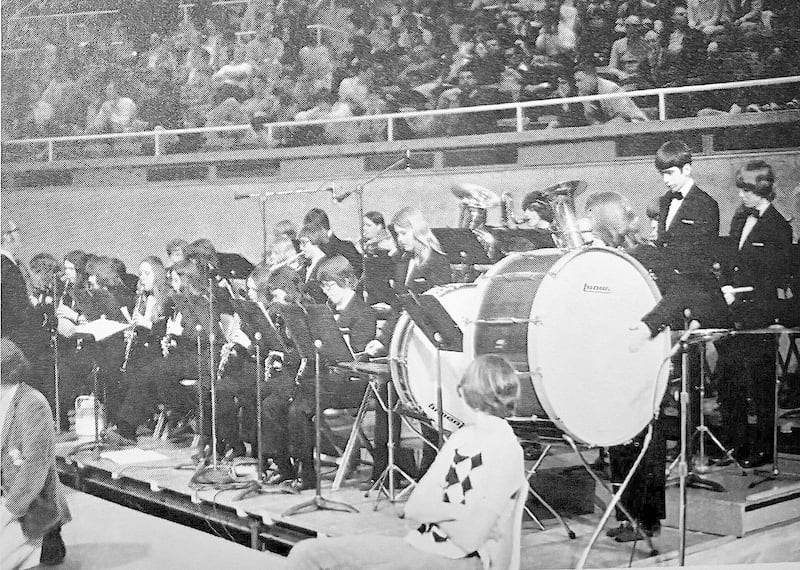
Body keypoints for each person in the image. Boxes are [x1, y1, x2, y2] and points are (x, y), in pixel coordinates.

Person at [286, 354, 527, 570]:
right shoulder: (462, 438)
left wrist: (436, 512)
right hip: (424, 546)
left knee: (310, 559)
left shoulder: (505, 450)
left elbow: (469, 539)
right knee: (306, 553)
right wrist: (460, 514)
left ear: (466, 391)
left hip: (459, 560)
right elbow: (414, 507)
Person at [585, 191, 727, 541]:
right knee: (621, 435)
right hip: (619, 355)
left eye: (592, 221)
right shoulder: (605, 257)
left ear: (606, 223)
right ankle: (627, 515)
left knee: (646, 438)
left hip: (649, 353)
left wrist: (648, 325)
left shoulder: (648, 254)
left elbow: (679, 295)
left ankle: (647, 520)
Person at [716, 160, 793, 468]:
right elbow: (731, 258)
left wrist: (743, 292)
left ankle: (764, 448)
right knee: (728, 381)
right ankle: (736, 444)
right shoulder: (739, 217)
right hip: (734, 312)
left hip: (759, 315)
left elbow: (774, 277)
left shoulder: (778, 226)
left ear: (762, 189)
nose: (741, 196)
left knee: (760, 385)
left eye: (746, 190)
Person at [1, 338, 71, 569]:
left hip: (28, 506)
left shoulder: (32, 404)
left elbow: (35, 467)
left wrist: (7, 511)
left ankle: (49, 535)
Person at [573, 62, 649, 124]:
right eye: (575, 81)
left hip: (636, 125)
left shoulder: (611, 89)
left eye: (579, 80)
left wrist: (603, 131)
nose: (576, 84)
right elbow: (593, 122)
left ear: (592, 77)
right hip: (609, 130)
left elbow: (623, 117)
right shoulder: (583, 94)